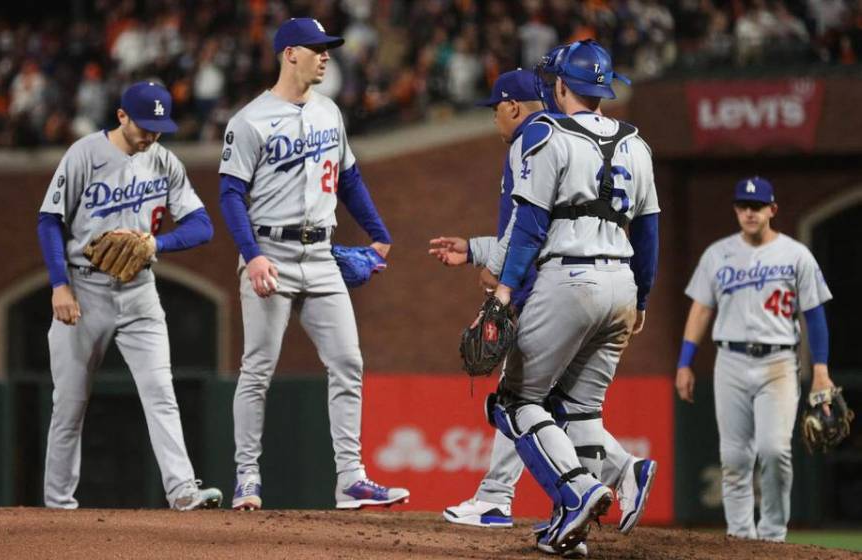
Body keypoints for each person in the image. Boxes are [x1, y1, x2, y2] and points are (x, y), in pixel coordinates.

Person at [430, 69, 657, 552]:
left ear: (513, 106)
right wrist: (641, 297)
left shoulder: (541, 137)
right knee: (576, 410)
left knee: (515, 402)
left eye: (494, 109)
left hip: (561, 284)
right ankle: (602, 493)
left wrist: (505, 286)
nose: (494, 119)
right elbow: (641, 230)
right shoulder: (632, 141)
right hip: (619, 280)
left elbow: (530, 226)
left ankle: (568, 493)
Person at [218, 17, 409, 511]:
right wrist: (252, 255)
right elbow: (231, 194)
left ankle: (351, 478)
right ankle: (246, 478)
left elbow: (349, 179)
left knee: (348, 362)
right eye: (316, 48)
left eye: (328, 49)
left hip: (321, 254)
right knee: (257, 369)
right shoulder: (250, 120)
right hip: (271, 254)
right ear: (289, 54)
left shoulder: (328, 111)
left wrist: (379, 232)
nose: (326, 56)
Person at [37, 81, 222, 510]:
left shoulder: (164, 162)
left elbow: (202, 226)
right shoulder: (85, 154)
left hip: (139, 289)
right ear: (121, 116)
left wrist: (156, 245)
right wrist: (59, 284)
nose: (152, 135)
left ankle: (181, 492)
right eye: (145, 125)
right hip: (84, 288)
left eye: (160, 127)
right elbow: (49, 220)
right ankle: (57, 506)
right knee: (69, 402)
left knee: (161, 390)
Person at [675, 177, 834, 542]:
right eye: (744, 206)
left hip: (777, 362)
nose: (750, 212)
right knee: (734, 459)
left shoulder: (795, 255)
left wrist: (821, 371)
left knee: (774, 449)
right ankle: (741, 538)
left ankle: (774, 536)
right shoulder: (718, 254)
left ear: (772, 210)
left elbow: (814, 315)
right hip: (729, 359)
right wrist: (686, 361)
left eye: (757, 206)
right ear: (736, 209)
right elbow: (701, 310)